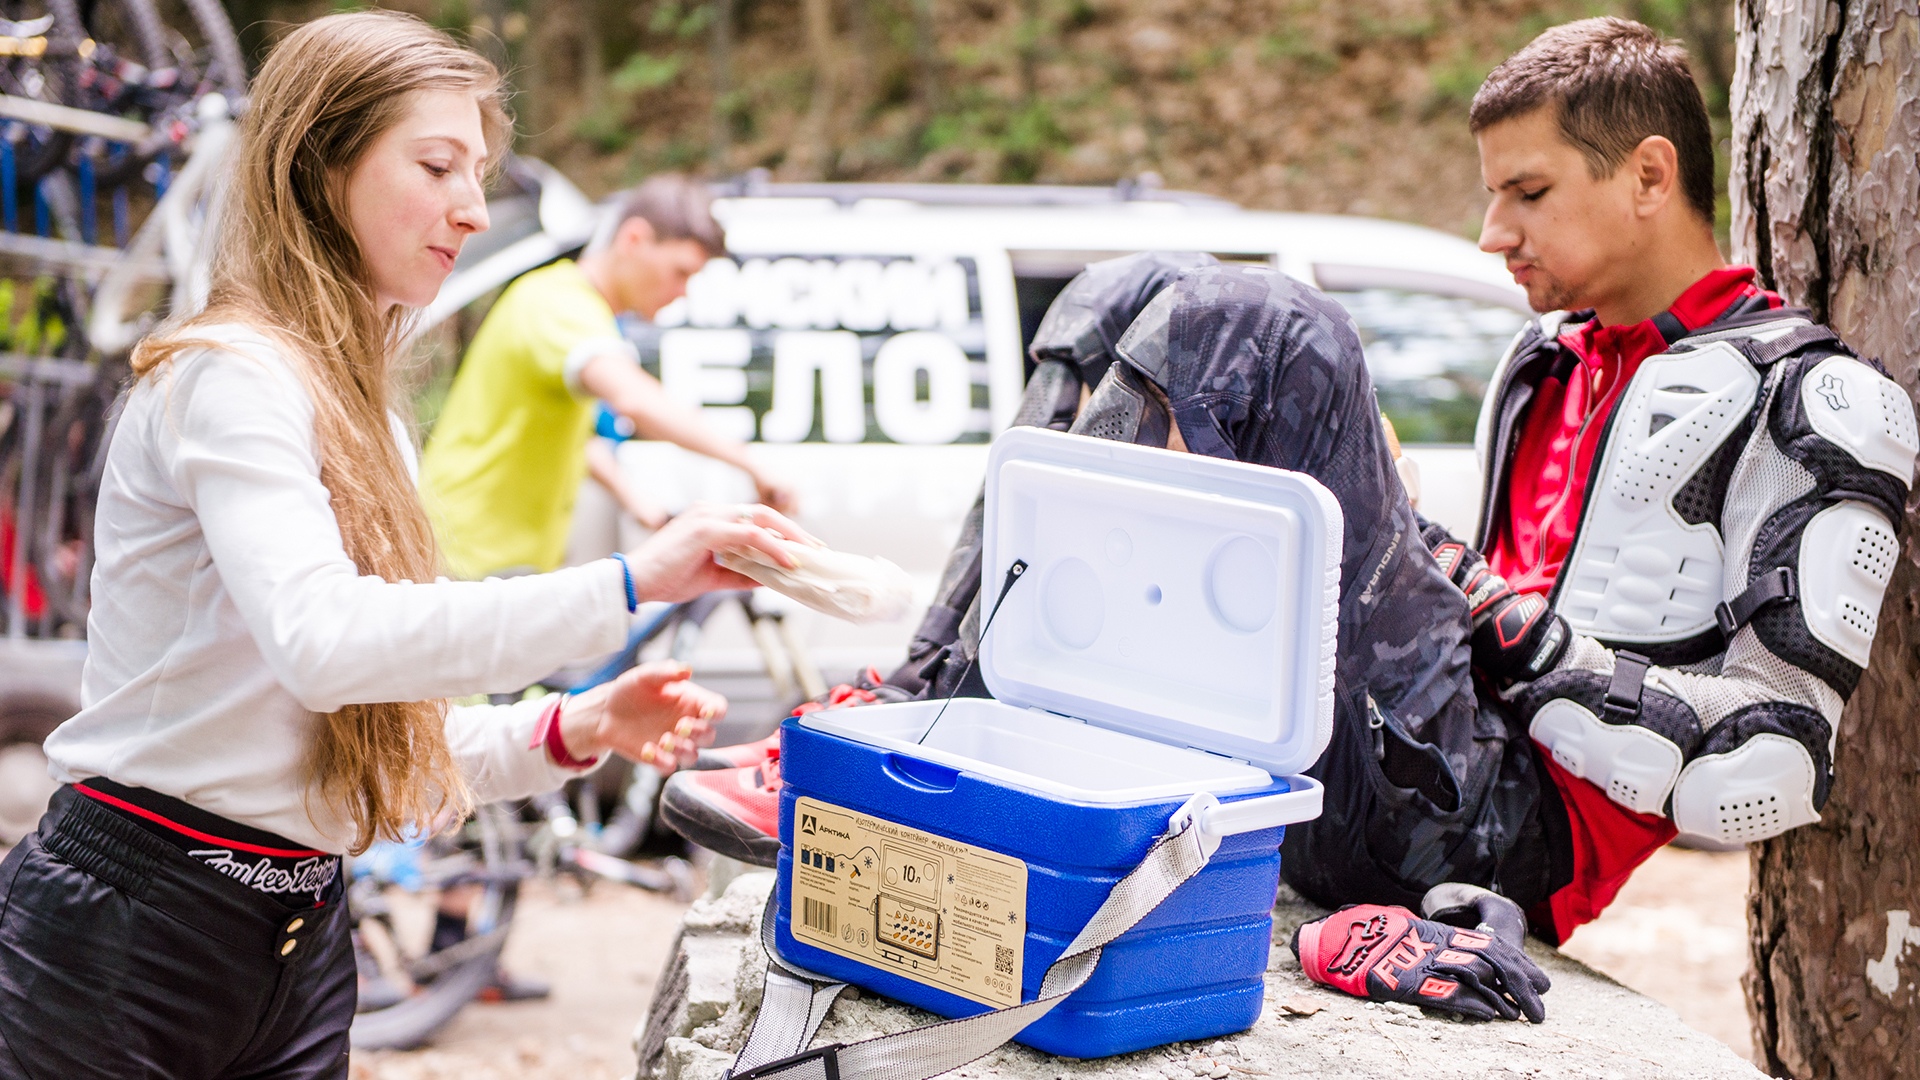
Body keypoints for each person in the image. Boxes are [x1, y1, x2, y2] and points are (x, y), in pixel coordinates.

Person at [664, 15, 1916, 1007]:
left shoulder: (1813, 399)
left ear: (1648, 174)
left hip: (1502, 840)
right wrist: (1418, 547)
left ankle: (945, 749)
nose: (1493, 232)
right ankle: (919, 708)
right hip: (1404, 763)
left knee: (1269, 322)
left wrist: (1483, 600)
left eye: (1527, 193)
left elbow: (1770, 767)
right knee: (1123, 287)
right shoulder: (1552, 359)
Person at [0, 13, 811, 1076]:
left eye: (477, 173)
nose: (471, 208)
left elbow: (377, 755)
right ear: (318, 162)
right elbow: (326, 644)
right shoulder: (230, 374)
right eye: (436, 166)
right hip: (128, 936)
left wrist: (576, 725)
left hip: (298, 936)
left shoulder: (370, 418)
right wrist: (627, 583)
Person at [420, 174, 794, 581]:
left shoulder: (582, 312)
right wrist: (752, 463)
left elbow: (582, 442)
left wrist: (636, 500)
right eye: (681, 271)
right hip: (468, 553)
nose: (683, 291)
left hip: (494, 555)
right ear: (634, 239)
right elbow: (635, 399)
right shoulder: (559, 302)